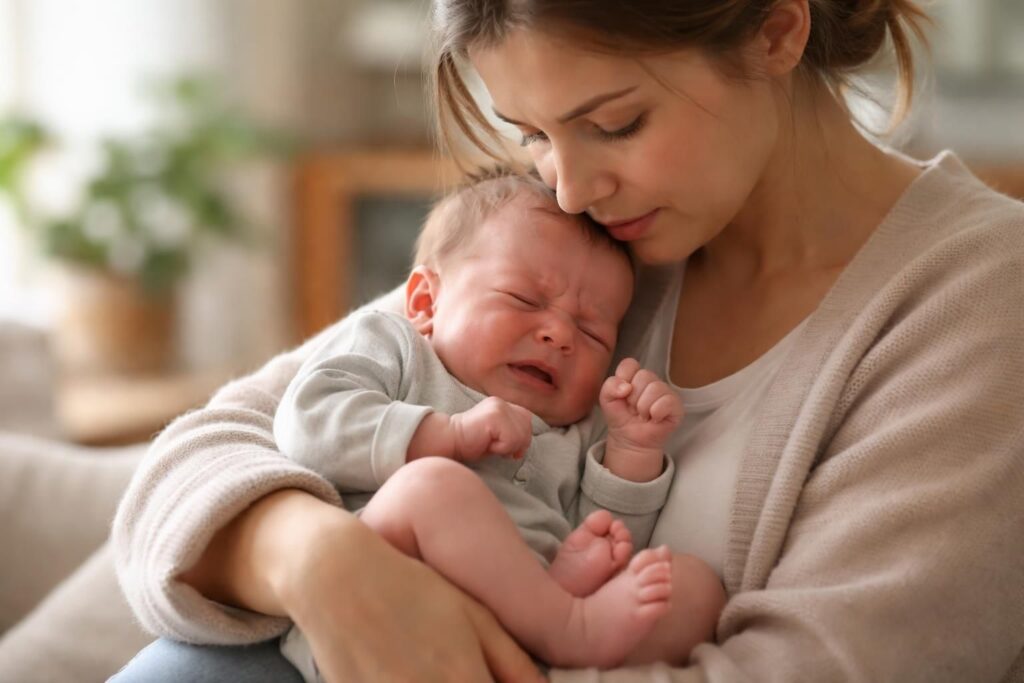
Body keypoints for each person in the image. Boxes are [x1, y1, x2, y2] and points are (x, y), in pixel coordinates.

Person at [110, 0, 1024, 681]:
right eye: (532, 135)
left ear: (777, 30)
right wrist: (323, 562)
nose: (570, 189)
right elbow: (190, 467)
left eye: (614, 124)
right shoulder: (574, 244)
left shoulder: (977, 301)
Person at [275, 170, 723, 679]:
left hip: (521, 620)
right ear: (425, 302)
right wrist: (447, 435)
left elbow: (612, 536)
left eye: (592, 332)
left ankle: (552, 636)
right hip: (381, 604)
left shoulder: (578, 425)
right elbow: (307, 423)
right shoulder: (397, 348)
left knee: (691, 586)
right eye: (524, 300)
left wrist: (632, 450)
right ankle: (567, 627)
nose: (559, 335)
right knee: (432, 486)